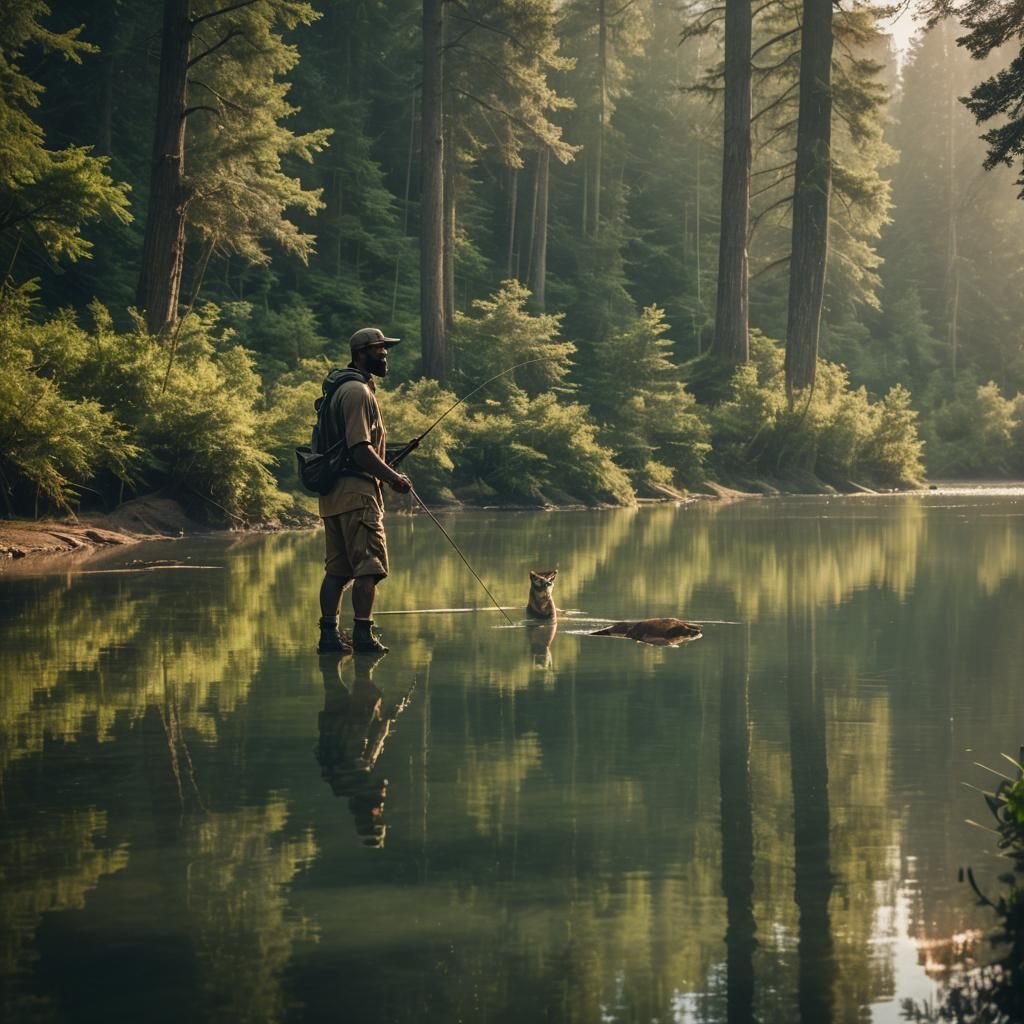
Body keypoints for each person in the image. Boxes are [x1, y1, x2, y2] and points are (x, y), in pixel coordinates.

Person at [317, 327, 412, 655]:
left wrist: (385, 466)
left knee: (337, 570)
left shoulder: (339, 390)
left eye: (385, 351)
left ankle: (328, 636)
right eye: (379, 351)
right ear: (360, 354)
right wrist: (393, 478)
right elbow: (359, 448)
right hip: (357, 493)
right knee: (369, 566)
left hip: (333, 495)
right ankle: (362, 636)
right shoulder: (357, 391)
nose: (385, 356)